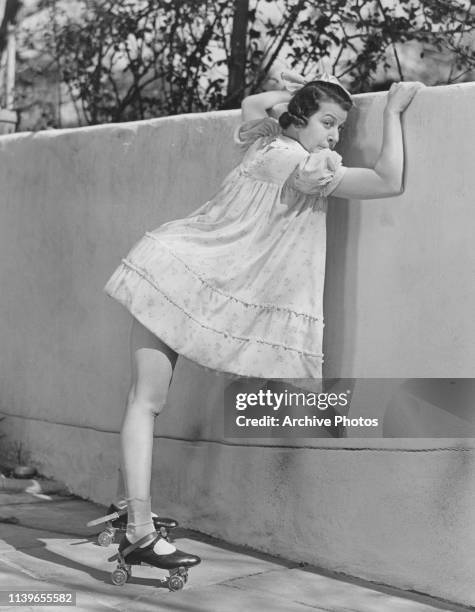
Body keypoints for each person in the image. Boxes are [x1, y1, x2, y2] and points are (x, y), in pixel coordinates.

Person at [102, 72, 424, 570]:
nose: (334, 136)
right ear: (300, 118)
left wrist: (300, 92)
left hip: (175, 267)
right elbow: (389, 180)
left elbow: (255, 100)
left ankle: (131, 516)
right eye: (327, 122)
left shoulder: (265, 140)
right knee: (147, 402)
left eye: (339, 126)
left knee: (143, 403)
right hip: (186, 279)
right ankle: (138, 531)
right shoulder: (302, 164)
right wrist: (392, 113)